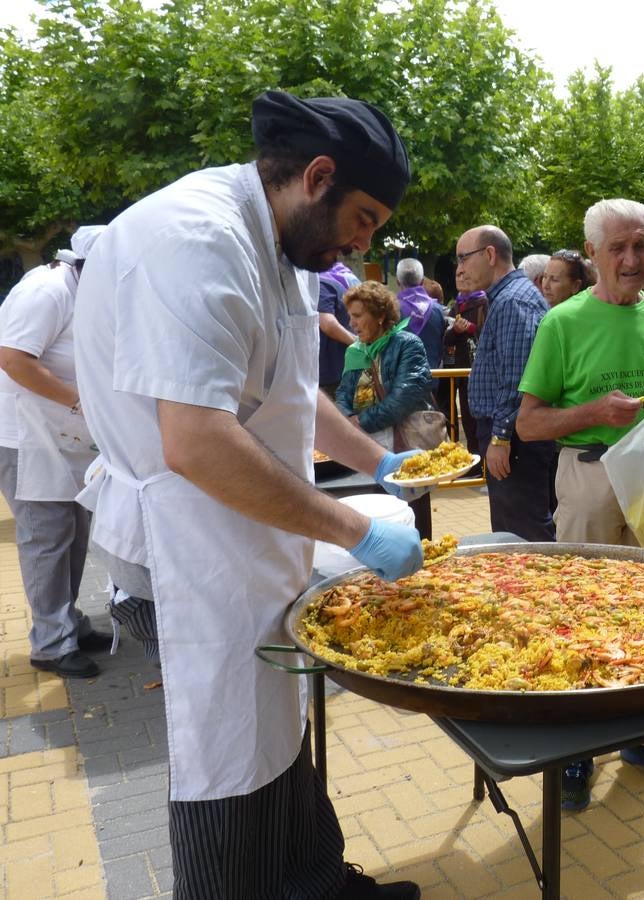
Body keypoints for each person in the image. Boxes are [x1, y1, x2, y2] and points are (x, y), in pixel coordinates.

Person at [73, 90, 425, 899]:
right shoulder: (195, 238)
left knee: (278, 728)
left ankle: (316, 881)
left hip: (247, 541)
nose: (362, 241)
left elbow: (291, 396)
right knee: (228, 753)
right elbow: (195, 440)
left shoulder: (280, 246)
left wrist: (379, 463)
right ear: (318, 176)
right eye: (364, 217)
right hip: (187, 551)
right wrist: (352, 529)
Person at [516, 198, 644, 812]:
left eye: (641, 247)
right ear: (592, 253)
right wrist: (596, 412)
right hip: (589, 474)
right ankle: (578, 746)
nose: (631, 260)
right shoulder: (562, 321)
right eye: (617, 248)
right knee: (583, 608)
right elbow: (528, 425)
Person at [0, 226, 110, 679]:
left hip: (62, 437)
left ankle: (68, 622)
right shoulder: (47, 289)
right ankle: (49, 643)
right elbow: (13, 358)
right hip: (24, 436)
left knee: (74, 529)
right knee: (46, 537)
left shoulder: (84, 292)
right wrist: (79, 401)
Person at [457, 225, 556, 541]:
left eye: (463, 259)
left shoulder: (514, 300)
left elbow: (517, 378)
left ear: (489, 254)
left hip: (515, 441)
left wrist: (500, 437)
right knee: (516, 529)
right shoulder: (507, 298)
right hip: (513, 437)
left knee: (521, 535)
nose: (459, 269)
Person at [335, 280, 436, 540]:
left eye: (357, 316)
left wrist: (358, 424)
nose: (352, 324)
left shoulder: (408, 344)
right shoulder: (354, 352)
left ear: (380, 315)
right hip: (367, 450)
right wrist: (344, 421)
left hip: (405, 448)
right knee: (377, 517)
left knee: (412, 520)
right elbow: (344, 395)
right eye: (350, 317)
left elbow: (405, 399)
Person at [443, 284, 487, 457]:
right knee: (467, 418)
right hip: (461, 369)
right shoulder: (457, 305)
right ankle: (473, 456)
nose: (461, 281)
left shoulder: (485, 302)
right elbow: (447, 339)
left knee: (478, 418)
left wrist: (471, 328)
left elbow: (489, 333)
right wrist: (454, 330)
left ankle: (482, 460)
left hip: (479, 369)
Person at [395, 258, 446, 371]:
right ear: (422, 281)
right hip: (431, 377)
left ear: (397, 281)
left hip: (399, 379)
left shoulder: (390, 309)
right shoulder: (438, 311)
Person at [317, 261, 360, 396]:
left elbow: (327, 324)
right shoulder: (350, 281)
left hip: (329, 373)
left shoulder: (323, 283)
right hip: (347, 368)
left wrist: (358, 343)